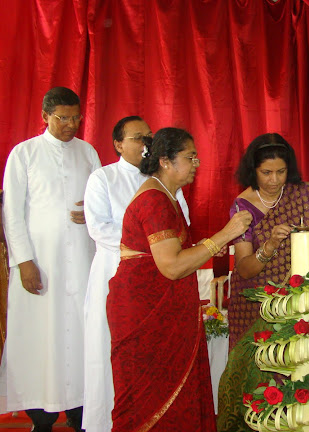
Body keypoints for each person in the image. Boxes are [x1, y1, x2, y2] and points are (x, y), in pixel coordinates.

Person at [106, 127, 251, 431]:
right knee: (148, 399)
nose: (197, 164)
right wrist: (225, 234)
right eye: (190, 157)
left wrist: (206, 245)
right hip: (146, 313)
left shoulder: (166, 195)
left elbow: (171, 254)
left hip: (163, 309)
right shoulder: (154, 200)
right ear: (165, 161)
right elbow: (171, 266)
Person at [1, 87, 101, 431]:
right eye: (63, 118)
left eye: (76, 118)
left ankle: (80, 410)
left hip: (83, 262)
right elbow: (12, 213)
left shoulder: (88, 152)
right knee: (40, 336)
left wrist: (91, 214)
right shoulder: (24, 153)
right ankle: (40, 416)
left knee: (80, 336)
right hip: (42, 264)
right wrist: (24, 262)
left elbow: (101, 203)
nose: (70, 124)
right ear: (45, 116)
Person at [217, 132, 309, 432]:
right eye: (266, 172)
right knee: (255, 376)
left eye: (281, 171)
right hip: (254, 303)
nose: (274, 180)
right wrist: (268, 246)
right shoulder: (242, 207)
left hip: (294, 300)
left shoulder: (303, 195)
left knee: (294, 370)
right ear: (252, 171)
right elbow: (245, 268)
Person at [82, 117, 190, 432]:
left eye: (149, 136)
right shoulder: (103, 178)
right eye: (138, 137)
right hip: (116, 272)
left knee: (154, 355)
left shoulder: (165, 179)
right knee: (111, 351)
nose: (145, 143)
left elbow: (182, 221)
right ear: (118, 144)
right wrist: (150, 240)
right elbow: (98, 228)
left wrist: (163, 245)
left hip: (162, 276)